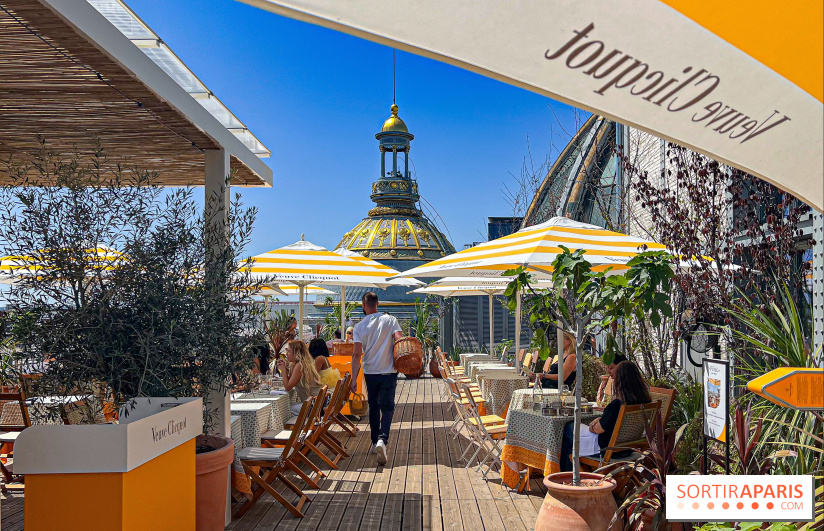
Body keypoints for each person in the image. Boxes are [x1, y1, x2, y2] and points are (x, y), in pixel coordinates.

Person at [560, 361, 651, 471]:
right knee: (572, 433)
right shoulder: (645, 402)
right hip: (629, 449)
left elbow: (598, 430)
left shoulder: (618, 405)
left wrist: (592, 425)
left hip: (607, 449)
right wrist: (601, 419)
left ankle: (567, 475)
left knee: (568, 429)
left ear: (619, 382)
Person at [351, 292, 403, 466]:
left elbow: (357, 353)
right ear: (378, 304)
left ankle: (374, 443)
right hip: (389, 370)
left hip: (370, 371)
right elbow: (399, 340)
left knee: (373, 406)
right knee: (387, 407)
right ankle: (382, 439)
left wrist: (353, 379)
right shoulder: (390, 320)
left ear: (364, 305)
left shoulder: (359, 327)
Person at [277, 340, 324, 416]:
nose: (286, 354)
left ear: (296, 353)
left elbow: (288, 387)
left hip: (313, 407)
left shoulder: (300, 366)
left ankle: (288, 428)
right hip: (315, 403)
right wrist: (285, 369)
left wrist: (283, 370)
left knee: (281, 411)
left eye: (288, 351)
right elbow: (289, 382)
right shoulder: (296, 364)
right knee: (284, 408)